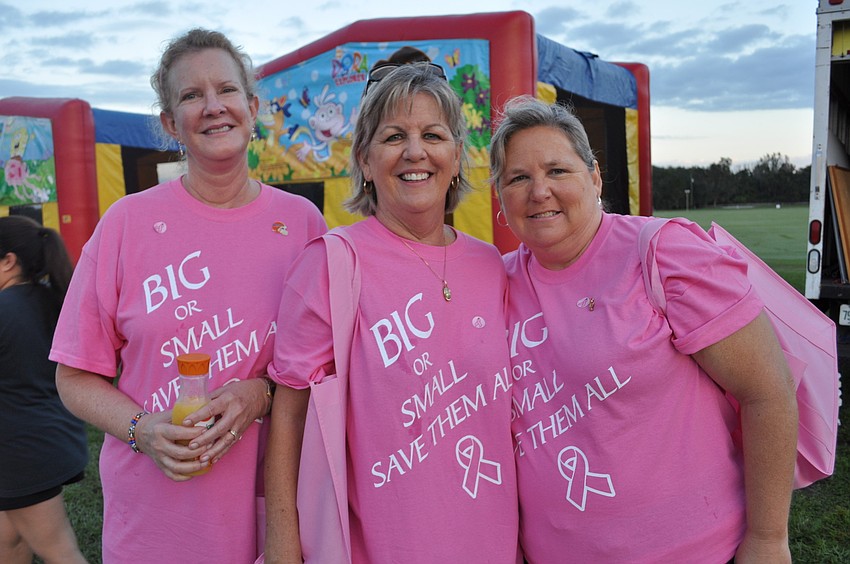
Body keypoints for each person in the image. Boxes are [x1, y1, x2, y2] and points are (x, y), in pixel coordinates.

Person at [49, 29, 327, 563]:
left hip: (272, 516)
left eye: (226, 89)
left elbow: (326, 368)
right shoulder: (126, 224)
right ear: (171, 124)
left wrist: (260, 393)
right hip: (154, 524)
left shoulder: (302, 224)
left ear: (253, 106)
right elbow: (74, 375)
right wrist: (142, 429)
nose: (213, 107)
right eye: (191, 95)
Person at [490, 96, 798, 563]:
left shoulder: (661, 253)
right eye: (518, 178)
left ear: (594, 177)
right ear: (500, 196)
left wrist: (768, 540)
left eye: (557, 171)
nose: (539, 191)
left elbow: (768, 392)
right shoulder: (495, 284)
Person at [264, 63, 519, 563]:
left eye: (433, 134)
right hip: (384, 545)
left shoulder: (491, 265)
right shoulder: (332, 263)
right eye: (393, 136)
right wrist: (281, 546)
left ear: (456, 156)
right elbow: (288, 420)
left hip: (493, 541)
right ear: (364, 158)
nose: (415, 152)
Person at [0, 216, 88, 564]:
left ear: (9, 261)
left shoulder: (6, 309)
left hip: (20, 453)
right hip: (47, 440)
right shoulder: (52, 298)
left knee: (59, 550)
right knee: (9, 541)